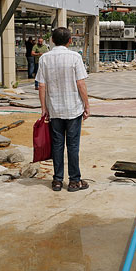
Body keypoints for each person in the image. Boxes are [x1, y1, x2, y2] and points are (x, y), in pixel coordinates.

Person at [36, 27, 90, 192]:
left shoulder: (44, 58)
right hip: (73, 108)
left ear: (52, 40)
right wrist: (87, 105)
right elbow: (80, 83)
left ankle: (57, 181)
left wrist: (44, 108)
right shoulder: (75, 57)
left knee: (57, 145)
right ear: (70, 40)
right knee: (73, 145)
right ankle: (74, 181)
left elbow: (41, 85)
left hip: (54, 109)